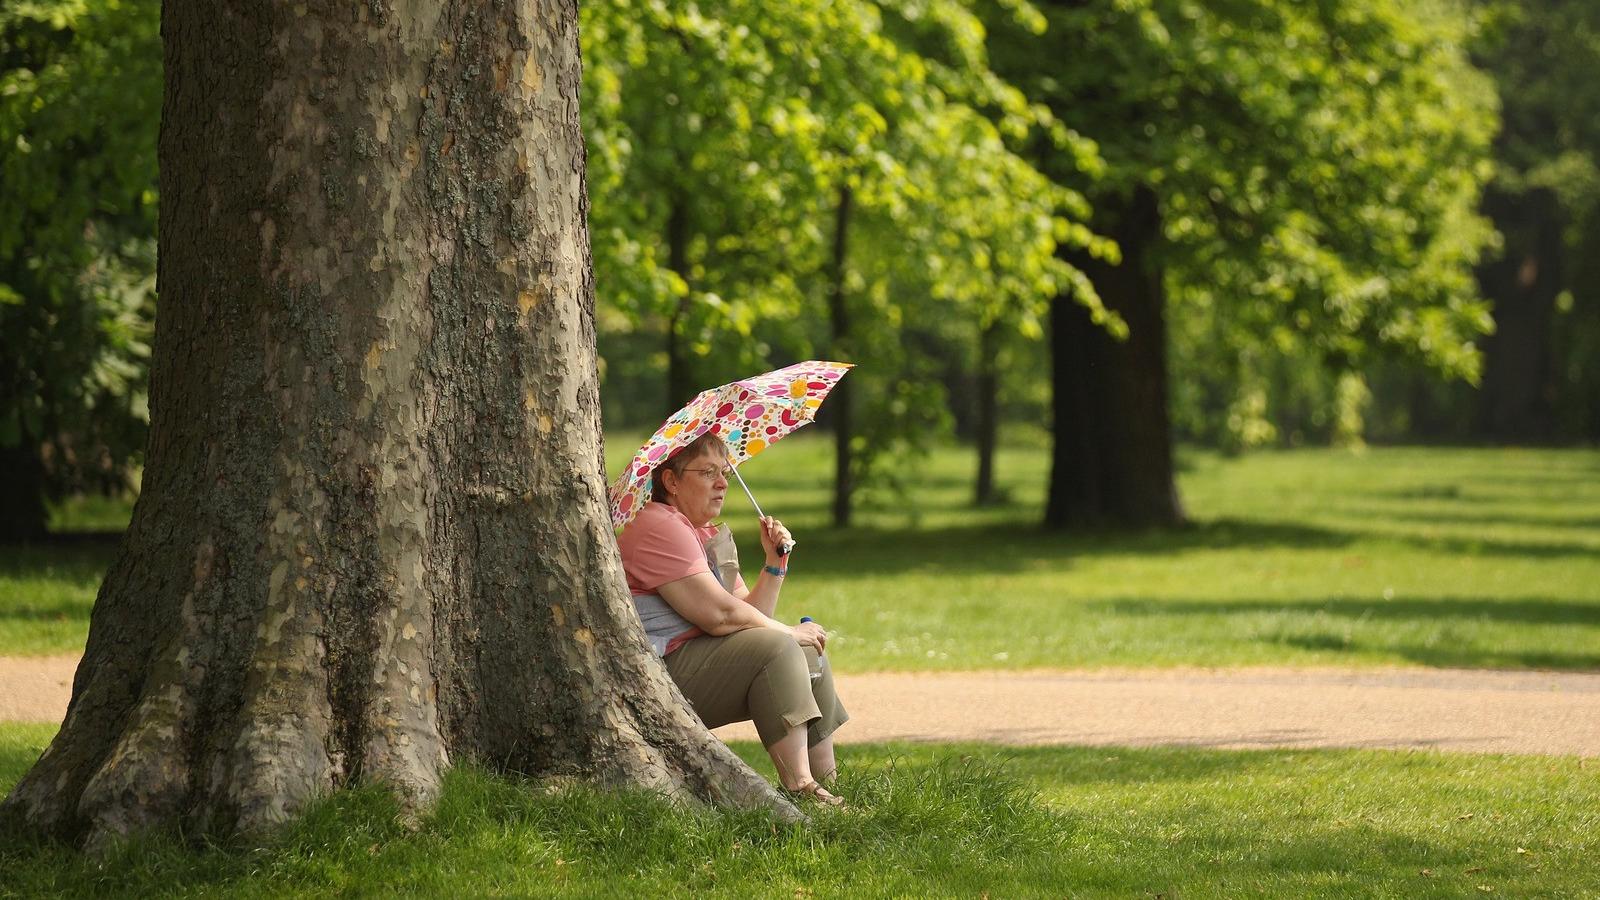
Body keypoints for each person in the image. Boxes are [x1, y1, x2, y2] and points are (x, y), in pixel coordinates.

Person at [617, 432, 849, 806]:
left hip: (698, 662)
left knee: (810, 655)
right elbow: (721, 617)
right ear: (671, 481)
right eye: (708, 472)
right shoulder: (658, 524)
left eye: (725, 471)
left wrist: (775, 565)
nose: (723, 482)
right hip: (657, 676)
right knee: (780, 646)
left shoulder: (706, 533)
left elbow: (749, 616)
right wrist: (790, 632)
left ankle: (830, 784)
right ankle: (802, 788)